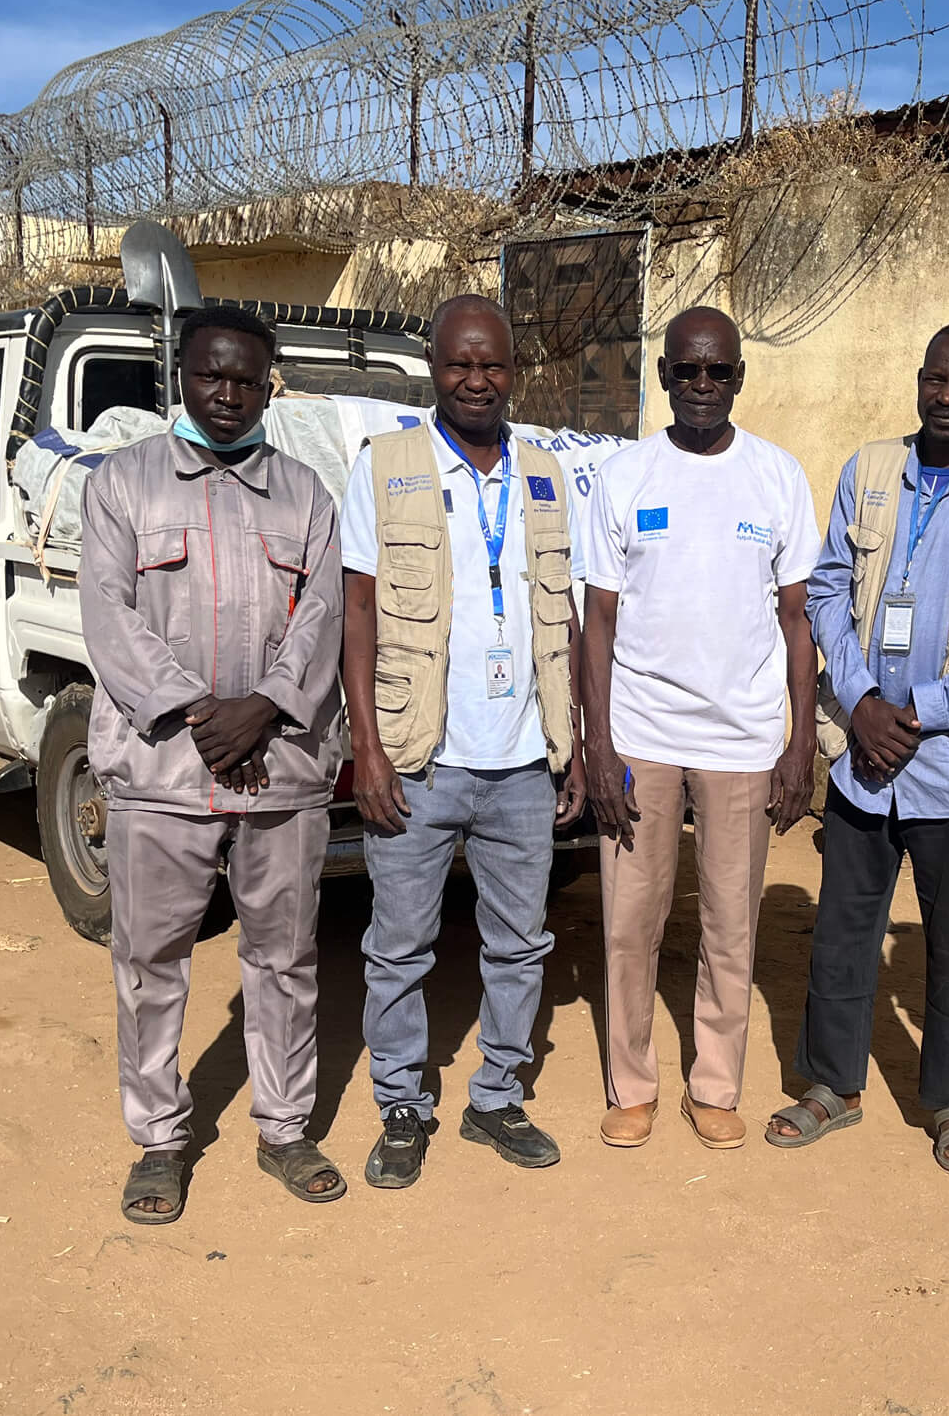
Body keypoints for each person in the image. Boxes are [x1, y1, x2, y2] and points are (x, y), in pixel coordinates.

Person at [766, 321, 949, 1172]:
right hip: (862, 751)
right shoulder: (868, 471)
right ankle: (832, 1085)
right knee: (843, 926)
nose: (946, 396)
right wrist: (859, 701)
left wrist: (916, 713)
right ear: (919, 379)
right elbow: (825, 590)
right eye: (935, 378)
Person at [82, 306, 347, 1224]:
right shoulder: (124, 485)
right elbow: (107, 617)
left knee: (284, 957)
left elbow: (323, 618)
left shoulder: (308, 494)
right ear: (180, 376)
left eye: (246, 380)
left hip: (282, 770)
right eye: (211, 377)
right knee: (150, 959)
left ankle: (285, 1126)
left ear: (268, 384)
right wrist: (203, 716)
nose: (228, 395)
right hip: (163, 771)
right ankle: (159, 1140)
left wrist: (264, 708)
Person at [346, 294, 587, 1189]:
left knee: (519, 946)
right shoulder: (385, 468)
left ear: (514, 371)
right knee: (399, 947)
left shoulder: (546, 473)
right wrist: (366, 748)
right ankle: (402, 1105)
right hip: (419, 757)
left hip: (523, 760)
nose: (476, 380)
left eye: (492, 365)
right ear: (434, 371)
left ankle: (496, 1098)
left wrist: (577, 745)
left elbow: (564, 618)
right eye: (459, 364)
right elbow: (358, 610)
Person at [581, 306, 818, 1152]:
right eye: (688, 371)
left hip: (744, 738)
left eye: (719, 371)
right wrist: (597, 742)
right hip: (641, 736)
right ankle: (633, 1083)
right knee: (630, 923)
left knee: (730, 923)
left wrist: (799, 741)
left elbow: (798, 619)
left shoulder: (778, 477)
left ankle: (713, 1085)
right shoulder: (625, 477)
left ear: (740, 376)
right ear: (665, 378)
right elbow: (597, 620)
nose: (704, 386)